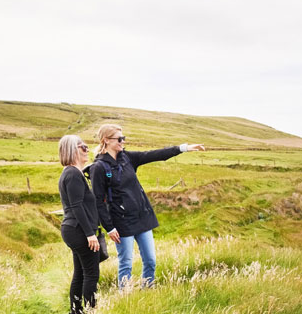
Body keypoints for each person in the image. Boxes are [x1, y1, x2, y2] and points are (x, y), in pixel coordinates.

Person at [89, 124, 204, 288]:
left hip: (142, 217)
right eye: (119, 139)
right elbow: (98, 201)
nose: (123, 141)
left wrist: (183, 148)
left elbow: (155, 155)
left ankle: (148, 290)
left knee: (150, 260)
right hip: (121, 222)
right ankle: (125, 298)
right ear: (106, 140)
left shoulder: (127, 158)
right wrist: (109, 228)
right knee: (126, 263)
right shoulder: (99, 167)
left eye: (124, 138)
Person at [57, 135, 107, 313]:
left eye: (86, 147)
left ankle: (76, 310)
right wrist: (90, 234)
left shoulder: (73, 173)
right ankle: (90, 310)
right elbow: (77, 206)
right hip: (78, 231)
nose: (87, 150)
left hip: (74, 230)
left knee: (80, 273)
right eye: (82, 147)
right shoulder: (72, 173)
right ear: (72, 150)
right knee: (91, 274)